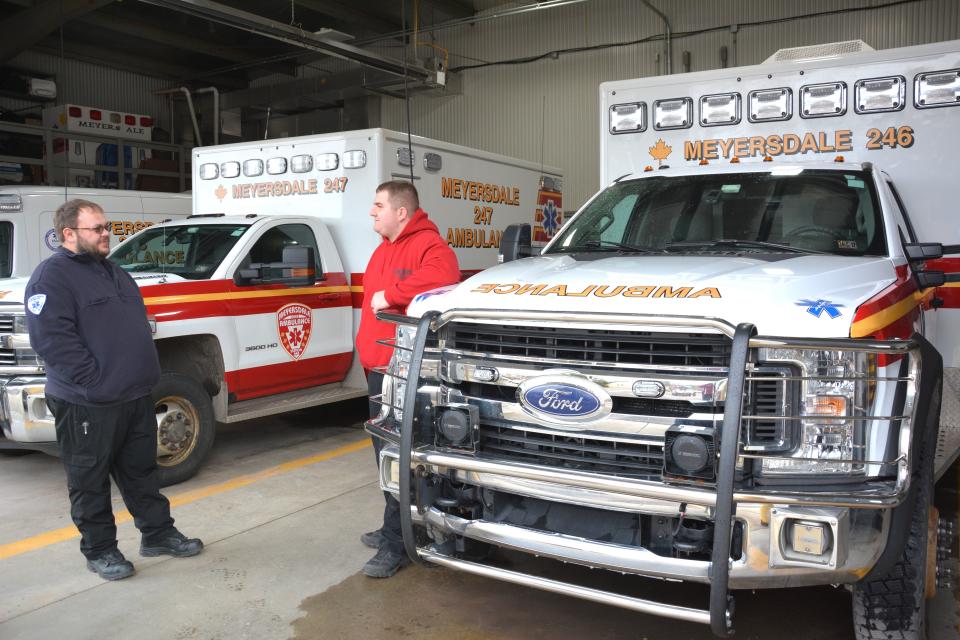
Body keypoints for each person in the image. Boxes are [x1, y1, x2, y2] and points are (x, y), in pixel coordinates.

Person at [25, 199, 203, 581]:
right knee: (88, 480)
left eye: (107, 227)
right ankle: (100, 550)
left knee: (141, 472)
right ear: (68, 234)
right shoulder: (51, 278)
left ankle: (157, 534)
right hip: (88, 402)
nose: (106, 234)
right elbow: (52, 340)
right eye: (97, 229)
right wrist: (94, 381)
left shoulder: (113, 271)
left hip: (134, 395)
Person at [357, 180, 460, 578]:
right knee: (384, 459)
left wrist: (393, 294)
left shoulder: (429, 246)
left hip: (401, 376)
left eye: (378, 204)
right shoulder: (383, 248)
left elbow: (444, 277)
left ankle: (396, 544)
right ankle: (395, 524)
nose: (372, 211)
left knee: (399, 459)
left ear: (402, 212)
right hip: (378, 372)